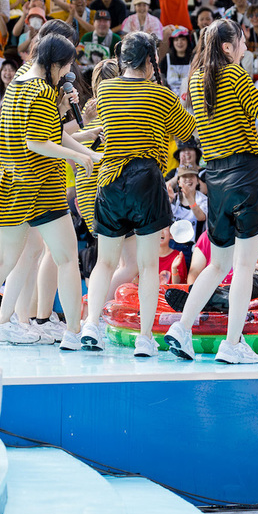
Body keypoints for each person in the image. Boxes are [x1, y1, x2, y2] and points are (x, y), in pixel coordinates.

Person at [164, 21, 258, 365]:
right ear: (229, 46)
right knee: (245, 265)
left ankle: (183, 328)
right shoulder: (232, 74)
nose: (246, 45)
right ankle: (232, 344)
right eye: (243, 40)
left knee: (217, 265)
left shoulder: (197, 78)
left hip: (215, 177)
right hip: (246, 174)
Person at [0, 34, 102, 347]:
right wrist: (81, 156)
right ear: (55, 63)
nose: (68, 72)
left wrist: (85, 146)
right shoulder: (41, 90)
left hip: (11, 183)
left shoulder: (19, 80)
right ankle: (71, 333)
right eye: (67, 65)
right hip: (37, 183)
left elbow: (50, 132)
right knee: (67, 258)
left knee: (7, 260)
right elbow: (38, 142)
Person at [80, 32, 197, 357]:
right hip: (146, 180)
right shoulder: (161, 95)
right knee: (147, 265)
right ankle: (145, 338)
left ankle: (91, 325)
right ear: (149, 61)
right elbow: (187, 132)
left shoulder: (104, 89)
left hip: (110, 181)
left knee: (104, 261)